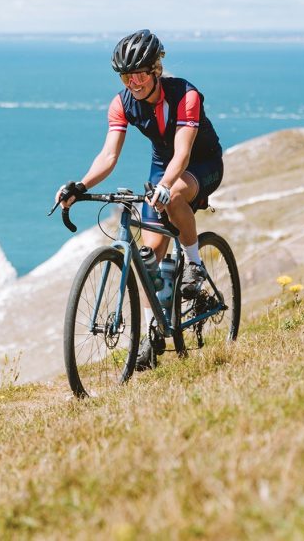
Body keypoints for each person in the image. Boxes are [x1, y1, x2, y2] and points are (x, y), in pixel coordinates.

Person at [55, 29, 224, 369]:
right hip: (162, 166)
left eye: (140, 74)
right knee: (149, 260)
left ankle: (194, 263)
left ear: (156, 69)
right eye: (125, 77)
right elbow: (108, 156)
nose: (133, 83)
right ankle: (154, 332)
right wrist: (80, 185)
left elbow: (183, 152)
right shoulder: (121, 103)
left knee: (174, 196)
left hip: (200, 163)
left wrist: (166, 185)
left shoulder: (186, 95)